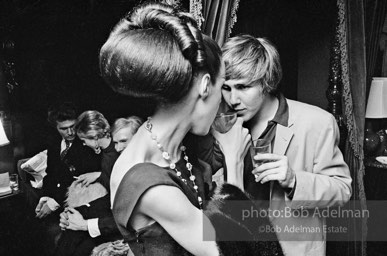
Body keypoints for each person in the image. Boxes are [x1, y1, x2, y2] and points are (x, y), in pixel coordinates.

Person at [99, 2, 242, 255]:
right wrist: (234, 159)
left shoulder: (170, 143)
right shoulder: (149, 185)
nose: (226, 101)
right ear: (205, 86)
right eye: (223, 88)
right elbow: (232, 250)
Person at [204, 34, 352, 256]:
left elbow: (342, 192)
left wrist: (294, 181)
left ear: (266, 82)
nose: (233, 99)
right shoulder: (219, 123)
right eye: (226, 88)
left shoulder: (318, 123)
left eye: (243, 87)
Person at [35, 102, 101, 255]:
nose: (71, 132)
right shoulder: (53, 144)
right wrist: (45, 196)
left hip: (83, 198)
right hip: (60, 197)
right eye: (63, 129)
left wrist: (54, 202)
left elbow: (79, 180)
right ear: (55, 127)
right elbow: (51, 174)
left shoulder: (86, 143)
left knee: (58, 233)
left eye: (73, 126)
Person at [56, 110, 121, 256]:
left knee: (73, 236)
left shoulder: (112, 156)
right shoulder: (107, 154)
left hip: (115, 214)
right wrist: (82, 209)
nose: (84, 144)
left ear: (95, 137)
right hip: (110, 207)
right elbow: (109, 179)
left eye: (84, 140)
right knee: (72, 223)